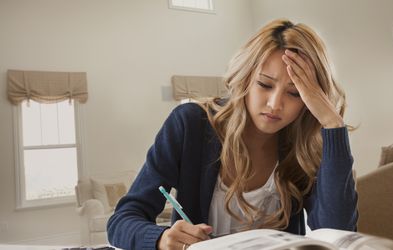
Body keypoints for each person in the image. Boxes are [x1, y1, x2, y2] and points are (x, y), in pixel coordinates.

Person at [107, 19, 358, 250]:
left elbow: (338, 233)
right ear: (245, 78)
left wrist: (332, 124)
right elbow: (122, 221)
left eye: (294, 93)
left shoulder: (306, 147)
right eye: (265, 84)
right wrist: (160, 238)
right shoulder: (191, 124)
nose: (274, 104)